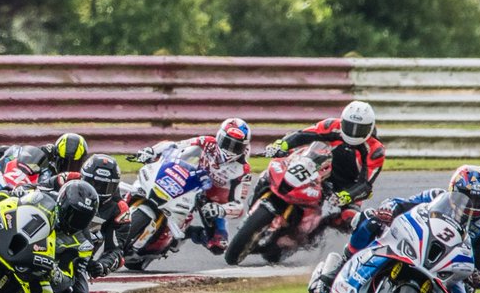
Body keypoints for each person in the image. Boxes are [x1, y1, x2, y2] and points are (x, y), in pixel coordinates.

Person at [314, 164, 480, 293]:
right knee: (370, 218)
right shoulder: (436, 196)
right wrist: (388, 209)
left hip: (448, 269)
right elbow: (401, 204)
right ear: (453, 191)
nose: (472, 205)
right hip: (415, 245)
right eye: (466, 197)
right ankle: (341, 265)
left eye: (479, 200)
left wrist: (478, 277)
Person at [132, 118, 252, 254]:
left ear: (244, 147)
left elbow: (238, 206)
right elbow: (175, 146)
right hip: (191, 178)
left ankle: (188, 233)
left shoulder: (243, 170)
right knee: (148, 177)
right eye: (227, 142)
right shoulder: (207, 142)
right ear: (219, 137)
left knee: (219, 245)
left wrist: (221, 209)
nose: (230, 149)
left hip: (212, 199)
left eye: (236, 146)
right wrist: (152, 151)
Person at [265, 100, 384, 225]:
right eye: (350, 126)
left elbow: (365, 184)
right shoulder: (332, 125)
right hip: (319, 168)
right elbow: (303, 135)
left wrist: (347, 195)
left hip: (346, 186)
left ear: (370, 128)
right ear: (343, 121)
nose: (354, 132)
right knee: (277, 169)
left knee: (350, 218)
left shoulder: (376, 150)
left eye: (360, 128)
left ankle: (312, 233)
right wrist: (281, 144)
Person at [0, 132, 88, 185]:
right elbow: (18, 152)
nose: (67, 168)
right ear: (56, 157)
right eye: (64, 162)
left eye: (73, 164)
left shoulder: (80, 179)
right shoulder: (47, 154)